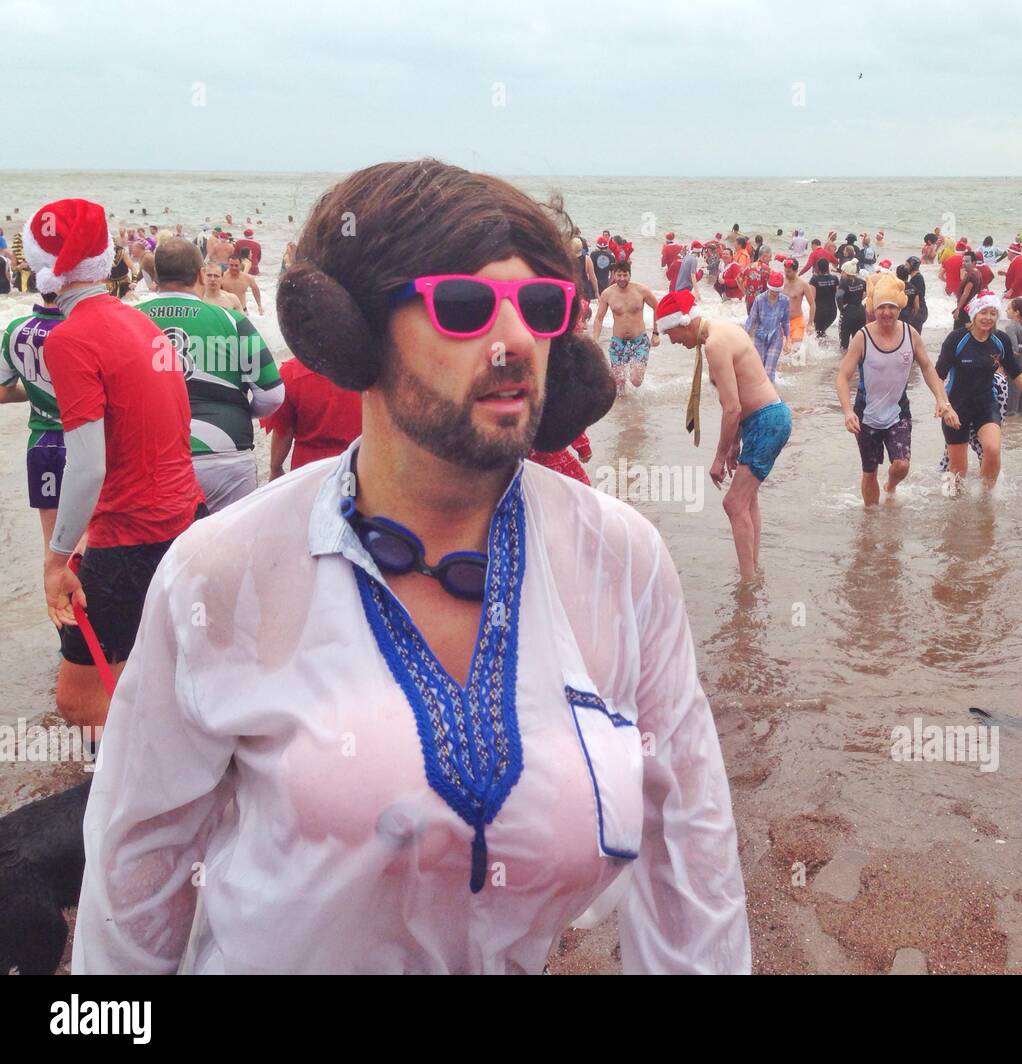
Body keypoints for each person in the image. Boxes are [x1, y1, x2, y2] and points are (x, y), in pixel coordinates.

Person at [74, 158, 749, 976]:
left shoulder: (621, 559)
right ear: (356, 335)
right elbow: (135, 873)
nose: (513, 343)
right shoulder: (223, 571)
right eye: (463, 309)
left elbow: (692, 852)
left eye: (540, 308)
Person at [24, 199, 204, 734]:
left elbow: (86, 467)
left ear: (44, 271)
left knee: (79, 702)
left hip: (132, 534)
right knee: (151, 664)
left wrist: (57, 560)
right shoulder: (140, 321)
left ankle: (146, 781)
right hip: (185, 518)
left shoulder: (70, 338)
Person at [138, 239, 284, 510]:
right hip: (226, 452)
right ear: (200, 275)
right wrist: (239, 409)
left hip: (150, 456)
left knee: (162, 551)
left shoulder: (128, 320)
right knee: (230, 549)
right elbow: (273, 395)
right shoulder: (233, 320)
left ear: (155, 276)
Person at [656, 289, 789, 583]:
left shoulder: (715, 343)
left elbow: (732, 408)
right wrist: (733, 447)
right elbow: (742, 397)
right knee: (747, 499)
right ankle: (752, 570)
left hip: (766, 421)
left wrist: (718, 457)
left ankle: (747, 583)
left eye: (670, 334)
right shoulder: (724, 331)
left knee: (733, 503)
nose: (674, 342)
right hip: (765, 419)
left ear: (683, 322)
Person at [834, 274, 957, 505]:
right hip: (866, 415)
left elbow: (928, 368)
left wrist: (942, 400)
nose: (887, 313)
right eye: (882, 307)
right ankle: (870, 523)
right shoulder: (863, 337)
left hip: (898, 412)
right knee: (869, 472)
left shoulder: (911, 334)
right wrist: (848, 411)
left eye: (892, 307)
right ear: (874, 309)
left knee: (901, 465)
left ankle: (890, 485)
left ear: (900, 307)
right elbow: (842, 377)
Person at [934, 292, 1022, 491]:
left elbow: (1015, 371)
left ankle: (986, 499)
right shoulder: (957, 339)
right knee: (958, 468)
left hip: (986, 404)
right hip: (957, 407)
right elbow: (937, 375)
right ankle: (952, 509)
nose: (988, 318)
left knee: (992, 450)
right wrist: (944, 405)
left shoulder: (999, 340)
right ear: (974, 314)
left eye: (993, 313)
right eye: (983, 312)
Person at [0, 294, 66, 553]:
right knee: (90, 543)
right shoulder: (87, 328)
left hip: (43, 442)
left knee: (53, 548)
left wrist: (33, 389)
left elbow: (2, 392)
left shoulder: (16, 329)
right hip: (87, 439)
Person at [263, 356, 363, 478]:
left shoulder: (291, 372)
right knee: (350, 495)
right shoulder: (366, 368)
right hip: (354, 464)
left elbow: (283, 430)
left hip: (308, 468)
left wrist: (276, 467)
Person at [591, 261, 659, 394]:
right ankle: (624, 413)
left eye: (625, 275)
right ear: (614, 275)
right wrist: (595, 339)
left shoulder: (642, 291)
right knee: (618, 384)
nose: (622, 278)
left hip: (639, 341)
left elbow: (658, 307)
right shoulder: (607, 294)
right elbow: (599, 318)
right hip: (618, 343)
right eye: (619, 275)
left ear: (630, 275)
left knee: (636, 380)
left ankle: (635, 382)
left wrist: (656, 333)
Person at [744, 269, 791, 380]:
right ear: (768, 288)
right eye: (772, 291)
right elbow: (751, 319)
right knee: (759, 370)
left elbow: (785, 321)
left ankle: (771, 395)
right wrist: (744, 336)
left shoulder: (785, 300)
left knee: (769, 372)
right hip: (760, 337)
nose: (774, 294)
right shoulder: (759, 299)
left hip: (776, 338)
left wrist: (788, 340)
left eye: (777, 291)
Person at [528, 431, 593, 485]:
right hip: (552, 457)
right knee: (579, 490)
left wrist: (583, 448)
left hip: (528, 464)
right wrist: (583, 448)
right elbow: (569, 420)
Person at [780, 257, 815, 349]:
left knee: (796, 350)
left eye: (789, 272)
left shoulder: (803, 284)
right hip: (781, 321)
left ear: (796, 271)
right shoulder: (781, 282)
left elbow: (812, 304)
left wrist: (810, 324)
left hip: (797, 321)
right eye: (785, 271)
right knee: (783, 351)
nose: (786, 274)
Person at [836, 260, 867, 353]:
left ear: (846, 272)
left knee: (844, 344)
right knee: (858, 340)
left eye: (842, 272)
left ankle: (844, 362)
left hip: (848, 312)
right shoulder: (862, 282)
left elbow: (838, 297)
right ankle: (858, 361)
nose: (841, 273)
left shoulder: (843, 283)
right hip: (860, 312)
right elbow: (868, 292)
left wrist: (842, 308)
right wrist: (859, 299)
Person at [809, 258, 839, 339]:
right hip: (832, 312)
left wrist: (810, 321)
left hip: (819, 313)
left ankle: (821, 350)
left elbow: (812, 300)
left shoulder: (814, 280)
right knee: (822, 332)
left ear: (817, 267)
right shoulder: (835, 279)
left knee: (819, 335)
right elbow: (839, 296)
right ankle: (827, 348)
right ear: (827, 267)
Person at [953, 253, 982, 328]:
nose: (963, 263)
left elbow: (965, 294)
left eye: (966, 261)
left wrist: (958, 309)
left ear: (974, 262)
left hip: (965, 309)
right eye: (963, 261)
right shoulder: (978, 272)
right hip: (971, 307)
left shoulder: (971, 276)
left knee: (958, 333)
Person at [901, 256, 928, 330]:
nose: (905, 267)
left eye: (907, 265)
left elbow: (918, 297)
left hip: (919, 311)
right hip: (920, 311)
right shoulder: (915, 278)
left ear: (912, 266)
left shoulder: (917, 279)